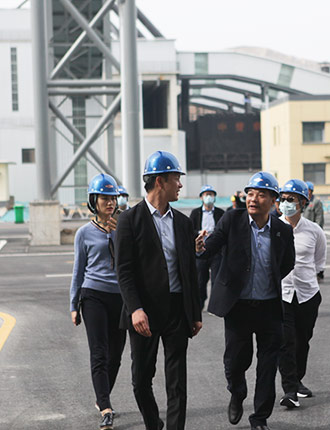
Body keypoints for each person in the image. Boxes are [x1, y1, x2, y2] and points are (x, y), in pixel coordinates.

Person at [195, 171, 295, 430]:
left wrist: (267, 281)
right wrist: (199, 249)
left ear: (273, 200)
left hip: (269, 308)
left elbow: (287, 263)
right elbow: (211, 247)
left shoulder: (283, 230)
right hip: (238, 307)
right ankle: (237, 393)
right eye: (250, 193)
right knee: (235, 362)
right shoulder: (232, 220)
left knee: (268, 366)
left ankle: (259, 418)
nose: (253, 199)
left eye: (261, 195)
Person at [115, 150, 202, 430]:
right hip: (144, 312)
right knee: (141, 379)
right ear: (160, 181)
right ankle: (154, 424)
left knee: (177, 381)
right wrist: (135, 309)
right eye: (176, 178)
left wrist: (194, 312)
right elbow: (124, 270)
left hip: (177, 310)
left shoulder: (184, 223)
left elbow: (189, 271)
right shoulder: (129, 220)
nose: (180, 184)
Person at [70, 174, 126, 430]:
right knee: (99, 352)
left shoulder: (124, 227)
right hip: (93, 295)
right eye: (105, 198)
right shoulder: (83, 233)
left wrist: (120, 232)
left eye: (113, 198)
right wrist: (73, 304)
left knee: (116, 356)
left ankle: (101, 395)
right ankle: (105, 406)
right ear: (94, 201)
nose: (110, 203)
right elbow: (78, 271)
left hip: (121, 297)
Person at [275, 179, 326, 410]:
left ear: (303, 203)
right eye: (283, 199)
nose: (285, 203)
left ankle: (297, 380)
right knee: (286, 341)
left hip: (307, 294)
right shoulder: (273, 228)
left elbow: (319, 262)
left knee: (302, 341)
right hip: (282, 294)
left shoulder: (314, 231)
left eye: (291, 199)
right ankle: (289, 390)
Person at [189, 184, 225, 310]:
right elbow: (190, 230)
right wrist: (199, 233)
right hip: (201, 250)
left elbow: (224, 231)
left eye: (211, 194)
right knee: (200, 280)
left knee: (216, 279)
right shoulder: (195, 213)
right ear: (201, 197)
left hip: (216, 251)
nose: (209, 197)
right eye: (206, 194)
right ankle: (199, 306)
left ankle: (214, 306)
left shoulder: (220, 213)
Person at [303, 181, 324, 281]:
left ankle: (319, 272)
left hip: (313, 231)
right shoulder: (303, 201)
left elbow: (319, 217)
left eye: (308, 190)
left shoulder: (316, 202)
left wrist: (318, 231)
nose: (307, 192)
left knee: (316, 252)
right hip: (304, 231)